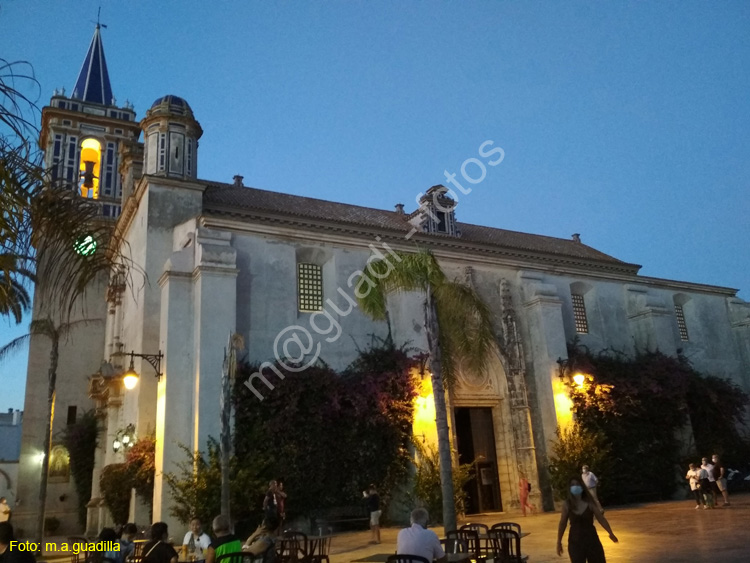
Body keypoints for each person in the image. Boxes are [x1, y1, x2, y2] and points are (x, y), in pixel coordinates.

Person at [557, 477, 618, 563]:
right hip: (575, 541)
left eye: (577, 484)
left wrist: (610, 532)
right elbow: (562, 523)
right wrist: (559, 541)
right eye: (573, 485)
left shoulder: (589, 502)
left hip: (591, 539)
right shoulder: (567, 504)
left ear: (582, 486)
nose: (575, 487)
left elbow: (600, 518)